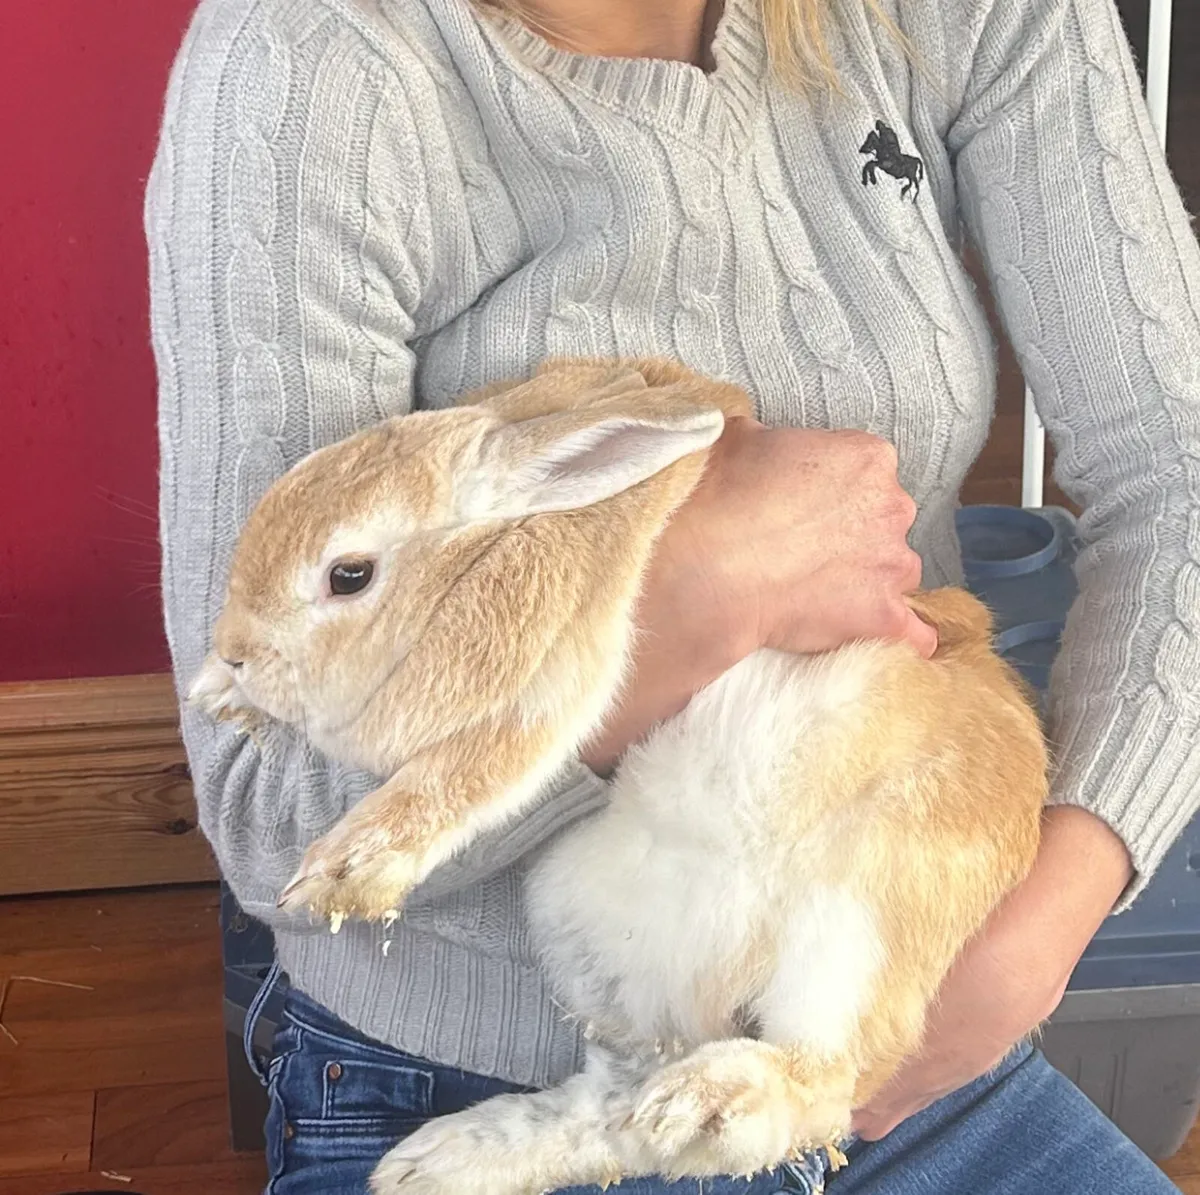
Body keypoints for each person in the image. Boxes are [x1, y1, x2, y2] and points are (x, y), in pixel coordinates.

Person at [145, 0, 1200, 1190]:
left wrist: (1043, 917)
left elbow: (1180, 468)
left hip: (899, 1024)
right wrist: (687, 610)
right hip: (482, 1089)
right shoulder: (307, 66)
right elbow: (262, 809)